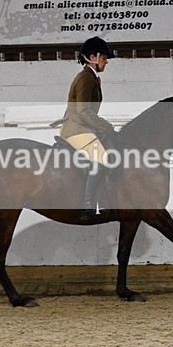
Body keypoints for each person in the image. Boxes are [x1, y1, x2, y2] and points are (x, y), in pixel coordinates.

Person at [59, 36, 117, 220]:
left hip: (86, 127)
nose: (106, 62)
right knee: (101, 158)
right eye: (104, 58)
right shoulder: (85, 78)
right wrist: (105, 126)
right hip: (76, 129)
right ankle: (88, 205)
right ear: (93, 57)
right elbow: (83, 111)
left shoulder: (92, 77)